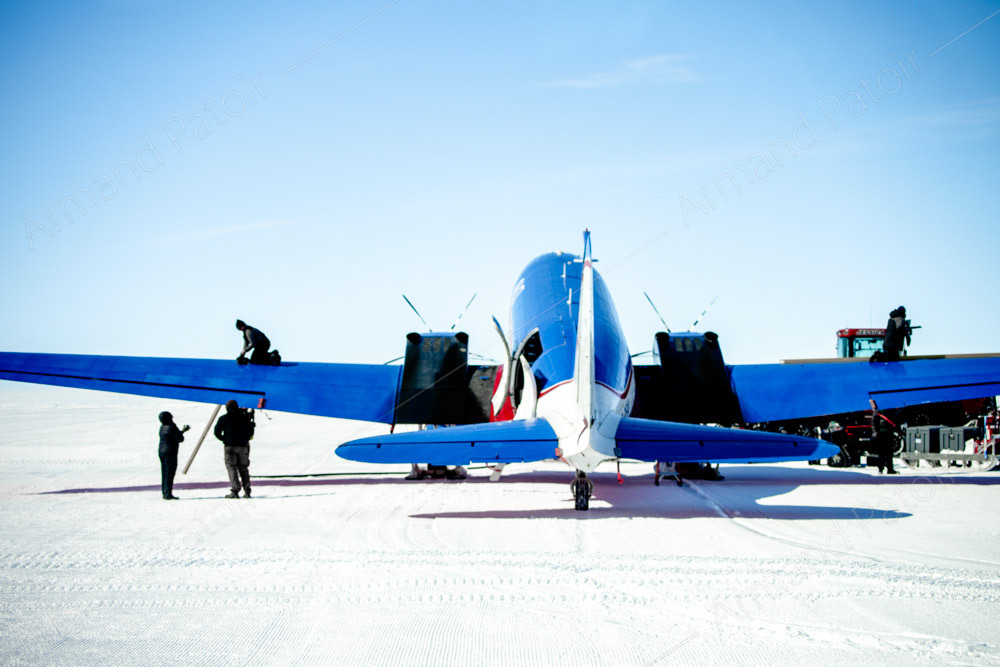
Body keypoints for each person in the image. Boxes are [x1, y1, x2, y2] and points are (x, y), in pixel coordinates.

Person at [214, 399, 255, 498]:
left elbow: (217, 432)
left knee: (232, 468)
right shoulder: (245, 418)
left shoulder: (224, 418)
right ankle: (247, 490)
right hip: (243, 446)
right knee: (244, 468)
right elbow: (250, 433)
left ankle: (235, 491)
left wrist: (224, 439)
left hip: (230, 446)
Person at [158, 411, 190, 500]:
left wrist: (182, 431)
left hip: (162, 451)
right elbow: (180, 439)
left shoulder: (162, 427)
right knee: (169, 473)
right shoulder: (172, 427)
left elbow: (174, 436)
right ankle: (168, 493)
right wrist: (182, 432)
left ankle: (165, 492)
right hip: (170, 452)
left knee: (164, 472)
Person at [871, 409, 899, 474]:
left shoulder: (878, 411)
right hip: (889, 433)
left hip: (881, 433)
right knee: (889, 453)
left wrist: (875, 432)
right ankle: (889, 469)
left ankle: (881, 469)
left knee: (882, 453)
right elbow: (896, 421)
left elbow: (874, 422)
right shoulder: (892, 410)